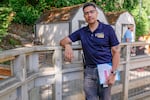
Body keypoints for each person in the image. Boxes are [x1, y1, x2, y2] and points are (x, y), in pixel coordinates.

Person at [60, 2, 120, 100]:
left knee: (105, 98)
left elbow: (116, 52)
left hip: (105, 70)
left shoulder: (108, 29)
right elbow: (62, 41)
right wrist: (67, 46)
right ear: (84, 16)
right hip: (89, 71)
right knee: (90, 98)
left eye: (91, 12)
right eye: (86, 13)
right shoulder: (82, 32)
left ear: (96, 13)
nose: (89, 15)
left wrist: (113, 73)